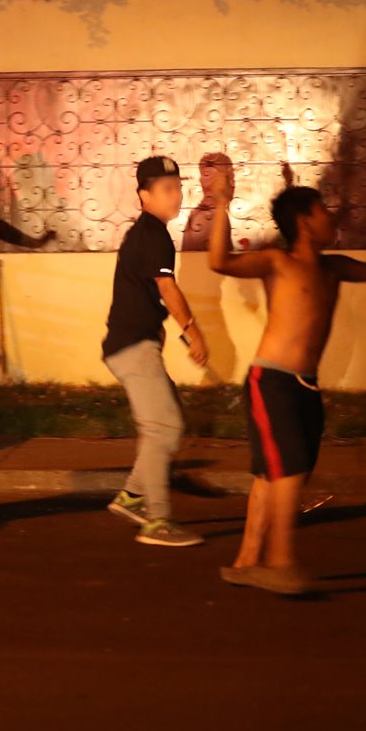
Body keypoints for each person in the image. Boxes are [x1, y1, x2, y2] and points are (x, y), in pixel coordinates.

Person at [208, 172, 366, 594]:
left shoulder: (333, 268)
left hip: (306, 387)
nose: (332, 217)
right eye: (323, 211)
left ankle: (246, 562)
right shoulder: (278, 263)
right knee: (289, 467)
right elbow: (219, 261)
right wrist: (222, 203)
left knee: (273, 474)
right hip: (271, 381)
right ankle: (279, 563)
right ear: (305, 222)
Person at [102, 156, 208, 547]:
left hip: (133, 345)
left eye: (178, 186)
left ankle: (132, 496)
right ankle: (157, 520)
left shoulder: (150, 233)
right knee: (164, 427)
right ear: (144, 195)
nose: (176, 194)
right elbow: (167, 289)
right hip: (133, 347)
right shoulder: (153, 236)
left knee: (167, 422)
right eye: (166, 188)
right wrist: (193, 332)